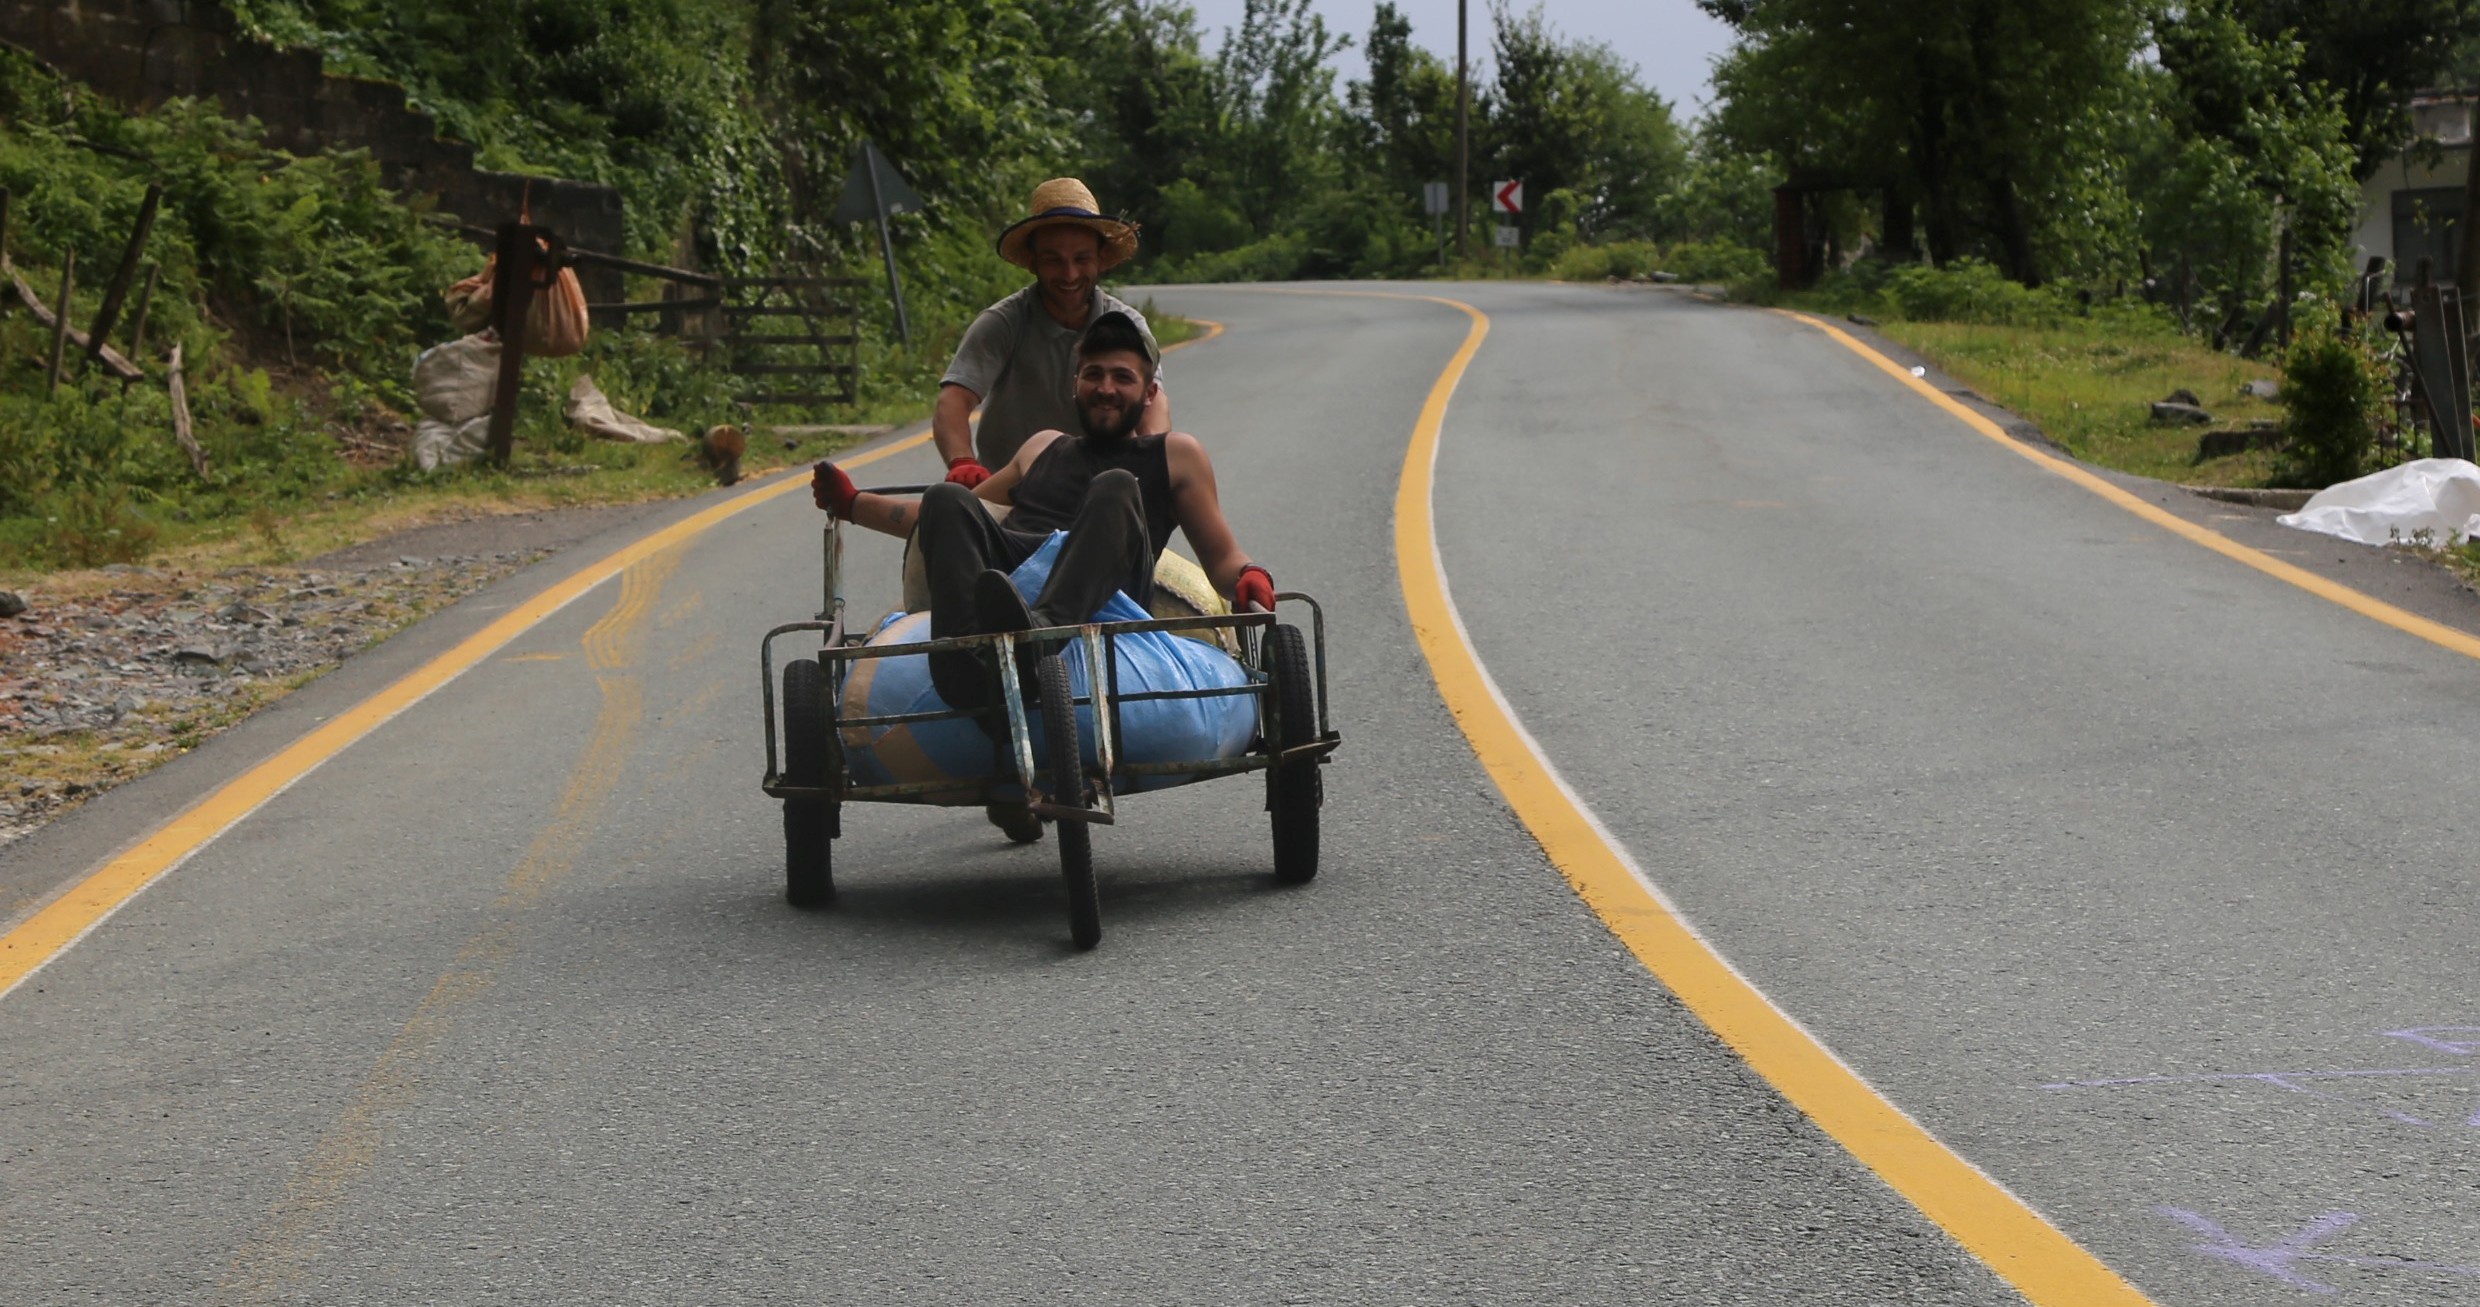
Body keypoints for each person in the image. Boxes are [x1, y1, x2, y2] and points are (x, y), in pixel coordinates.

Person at [814, 310, 1273, 713]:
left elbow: (1222, 558)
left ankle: (1038, 641)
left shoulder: (1175, 453)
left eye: (1122, 377)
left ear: (1149, 392)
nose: (1106, 389)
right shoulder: (1043, 447)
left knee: (1114, 486)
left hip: (1106, 583)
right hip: (1015, 576)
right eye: (1093, 374)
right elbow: (944, 523)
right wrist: (852, 504)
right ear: (1075, 383)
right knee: (945, 499)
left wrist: (1249, 575)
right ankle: (961, 655)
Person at [932, 178, 1172, 488]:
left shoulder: (1127, 325)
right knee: (938, 520)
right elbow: (952, 402)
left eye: (1081, 259)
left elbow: (1153, 406)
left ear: (1100, 260)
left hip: (1101, 490)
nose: (1069, 274)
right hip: (1012, 490)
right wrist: (963, 462)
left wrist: (1152, 457)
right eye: (1053, 260)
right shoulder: (1003, 322)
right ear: (1033, 262)